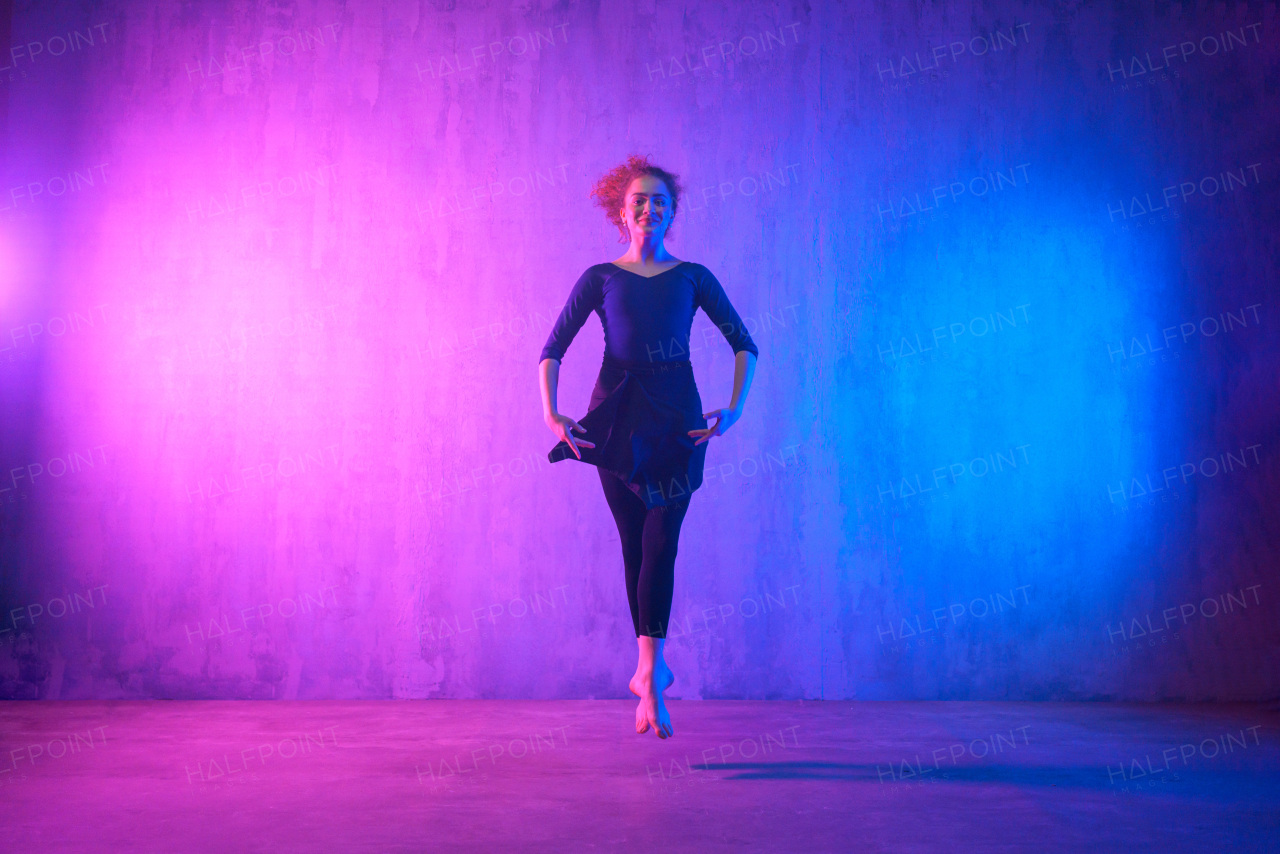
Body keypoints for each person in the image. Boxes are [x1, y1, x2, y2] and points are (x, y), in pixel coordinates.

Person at [537, 155, 758, 738]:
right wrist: (553, 415)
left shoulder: (694, 277)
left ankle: (650, 670)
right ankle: (647, 672)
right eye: (639, 200)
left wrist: (731, 410)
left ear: (671, 212)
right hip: (616, 424)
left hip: (678, 424)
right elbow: (551, 349)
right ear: (622, 211)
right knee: (634, 545)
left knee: (664, 543)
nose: (649, 209)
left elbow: (744, 343)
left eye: (659, 201)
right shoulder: (600, 278)